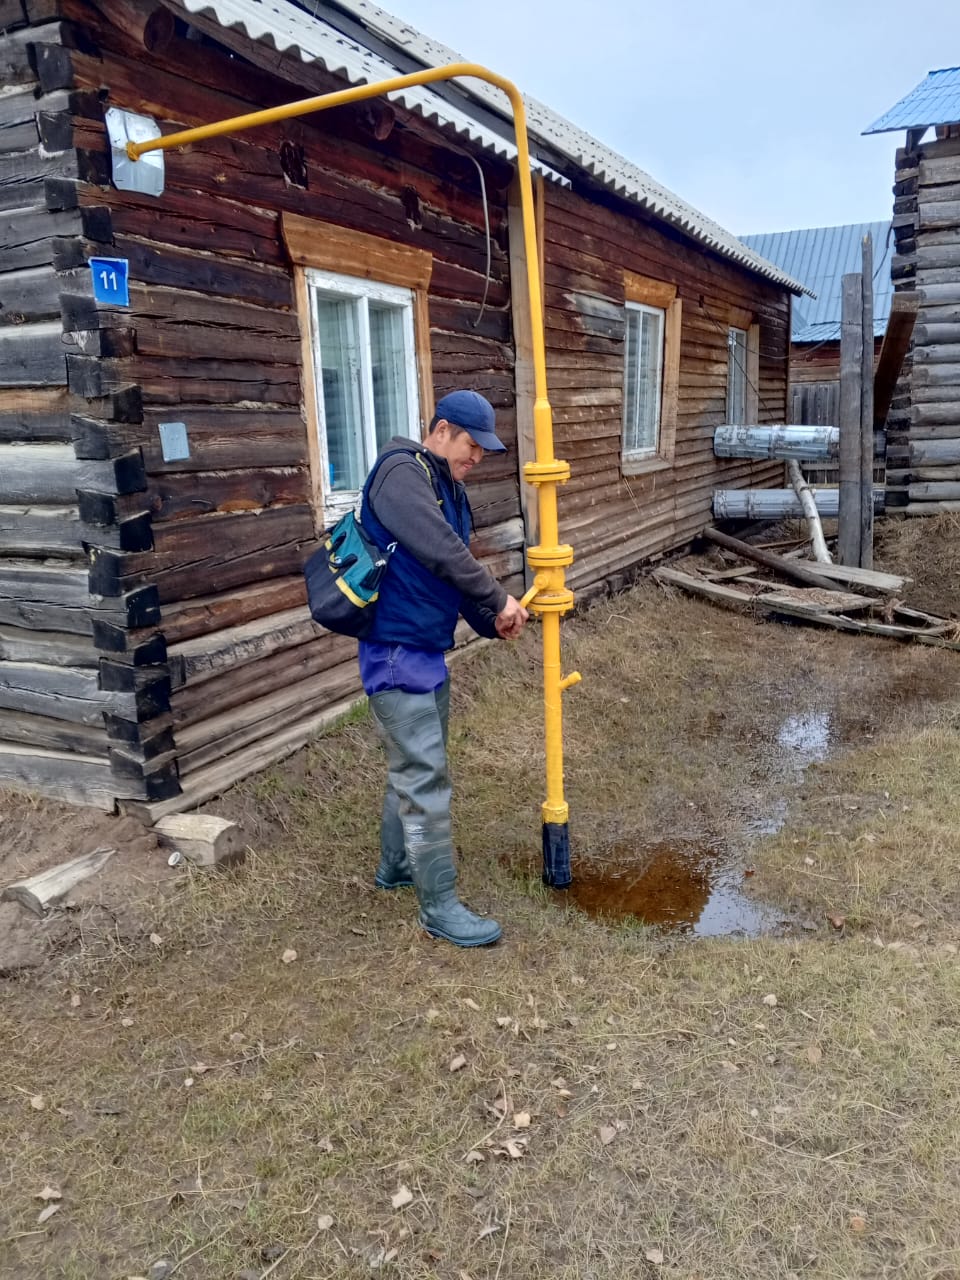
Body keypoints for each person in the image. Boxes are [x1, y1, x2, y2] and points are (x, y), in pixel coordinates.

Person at [358, 389, 529, 947]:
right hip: (393, 650)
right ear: (441, 429)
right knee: (425, 777)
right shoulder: (401, 473)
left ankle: (397, 868)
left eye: (484, 450)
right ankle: (440, 908)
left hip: (424, 651)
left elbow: (448, 577)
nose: (477, 458)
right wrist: (500, 596)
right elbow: (440, 551)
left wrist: (489, 620)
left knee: (412, 769)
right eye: (471, 445)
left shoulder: (448, 491)